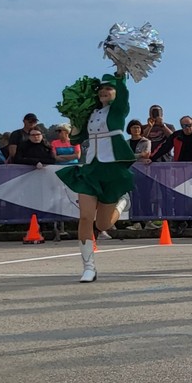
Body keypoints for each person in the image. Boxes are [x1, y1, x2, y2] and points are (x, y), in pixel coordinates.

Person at [57, 70, 135, 281]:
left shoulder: (119, 110)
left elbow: (124, 91)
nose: (104, 91)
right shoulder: (91, 114)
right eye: (101, 88)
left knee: (103, 225)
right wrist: (74, 117)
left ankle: (121, 203)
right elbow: (75, 139)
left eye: (109, 88)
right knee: (85, 217)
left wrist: (120, 74)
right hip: (91, 168)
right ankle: (88, 267)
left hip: (112, 169)